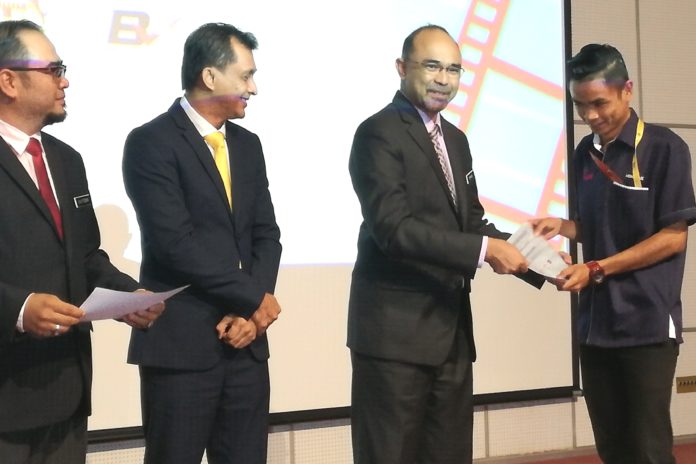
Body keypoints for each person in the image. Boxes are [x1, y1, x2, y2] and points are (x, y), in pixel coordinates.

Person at [347, 25, 544, 464]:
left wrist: (541, 260)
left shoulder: (455, 139)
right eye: (432, 66)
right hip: (394, 341)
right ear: (402, 68)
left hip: (451, 336)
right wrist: (485, 251)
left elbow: (471, 222)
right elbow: (394, 229)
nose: (444, 79)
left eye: (454, 69)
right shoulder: (378, 133)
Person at [0, 19, 163, 464]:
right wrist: (18, 310)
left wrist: (129, 296)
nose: (65, 81)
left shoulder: (66, 159)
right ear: (8, 81)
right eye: (53, 70)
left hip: (66, 394)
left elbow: (85, 256)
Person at [122, 22, 282, 464]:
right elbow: (175, 244)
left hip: (246, 346)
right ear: (210, 76)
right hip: (182, 349)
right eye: (246, 76)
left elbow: (266, 234)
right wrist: (254, 298)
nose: (254, 88)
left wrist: (253, 313)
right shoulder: (151, 142)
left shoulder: (248, 145)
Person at [532, 44, 696, 464]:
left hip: (646, 326)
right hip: (595, 327)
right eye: (580, 105)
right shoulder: (584, 154)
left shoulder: (665, 148)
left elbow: (673, 237)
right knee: (613, 450)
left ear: (627, 90)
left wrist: (596, 268)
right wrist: (563, 228)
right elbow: (603, 228)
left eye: (599, 103)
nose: (589, 116)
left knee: (648, 451)